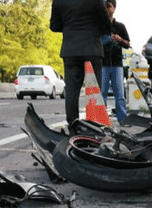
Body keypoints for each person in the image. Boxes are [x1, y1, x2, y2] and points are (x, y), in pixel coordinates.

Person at [50, 0, 112, 130]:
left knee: (72, 90)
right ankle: (95, 126)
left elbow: (54, 26)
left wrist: (70, 27)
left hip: (71, 49)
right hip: (92, 48)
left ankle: (73, 125)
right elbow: (107, 26)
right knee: (94, 89)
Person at [101, 0, 130, 124]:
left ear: (114, 8)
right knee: (102, 94)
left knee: (120, 94)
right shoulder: (100, 26)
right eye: (105, 7)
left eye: (109, 6)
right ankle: (102, 120)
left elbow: (128, 44)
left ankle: (122, 119)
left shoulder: (120, 26)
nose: (107, 9)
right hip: (103, 64)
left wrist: (120, 39)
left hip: (117, 64)